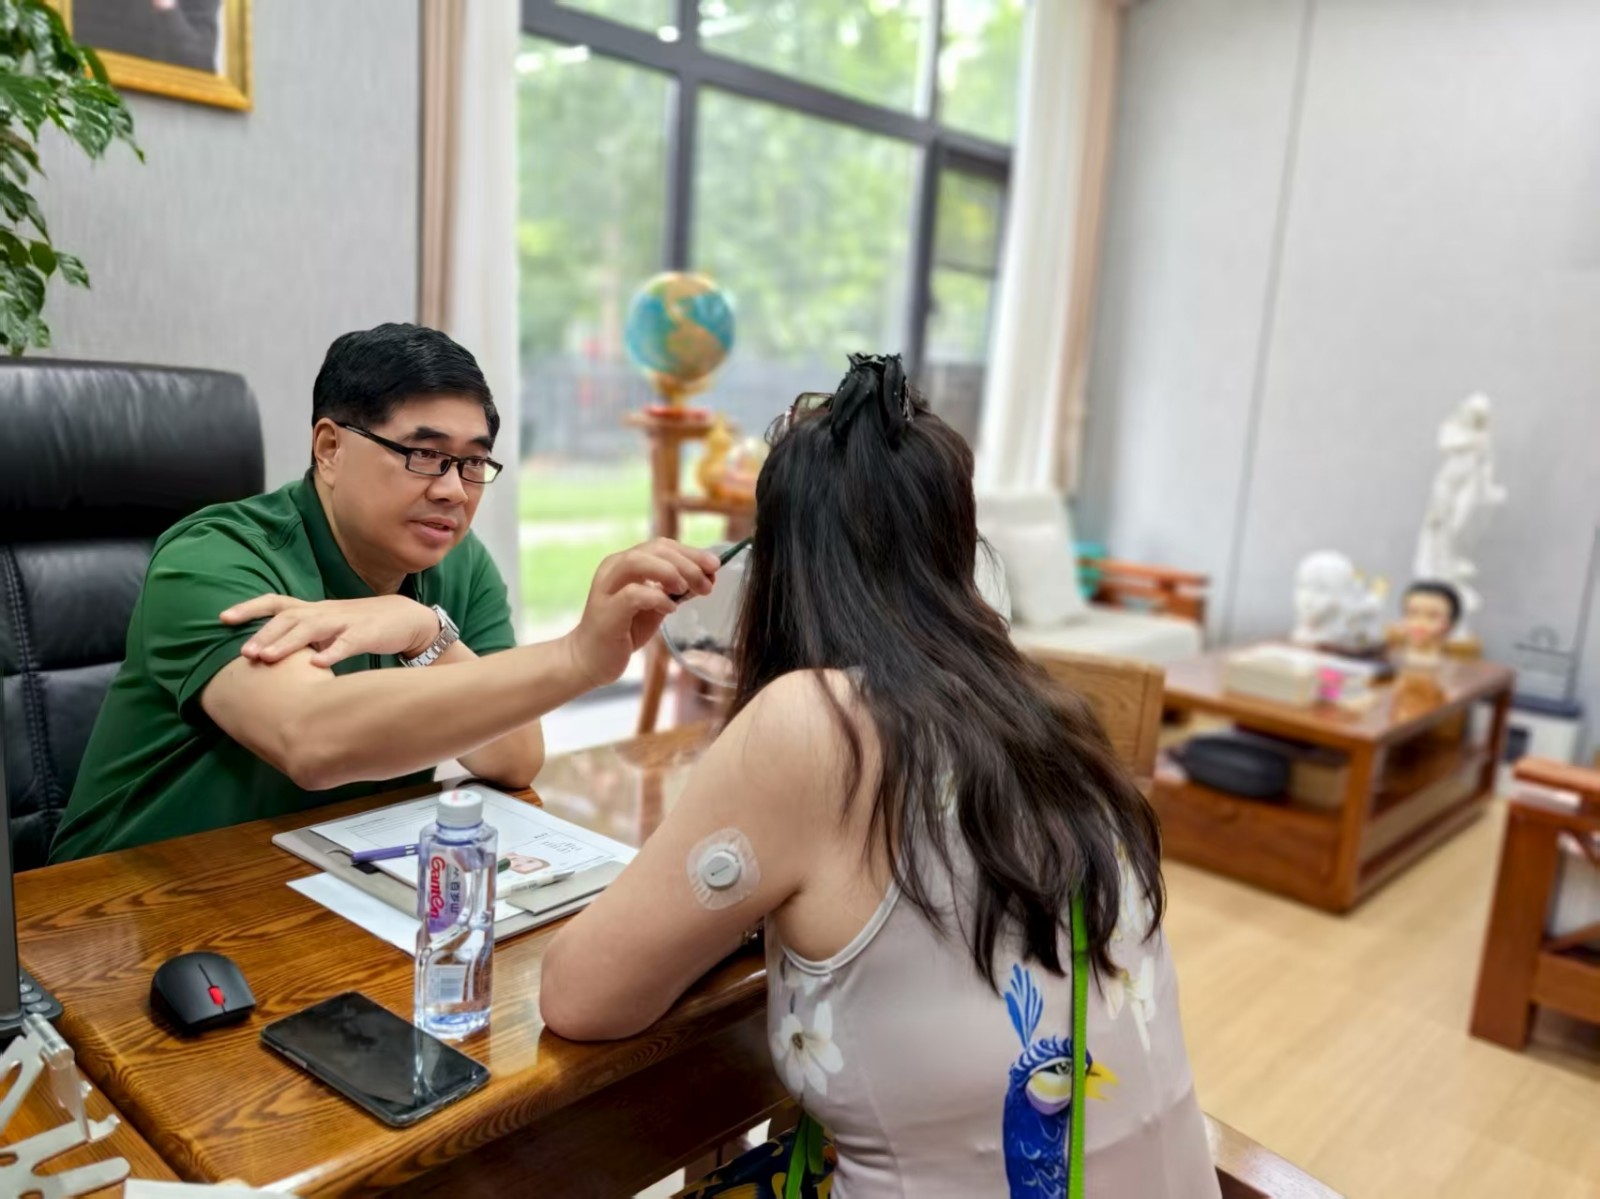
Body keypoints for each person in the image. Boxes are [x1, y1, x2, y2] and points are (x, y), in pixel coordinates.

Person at [540, 354, 1220, 1198]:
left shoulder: (812, 722)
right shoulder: (1045, 710)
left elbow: (580, 996)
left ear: (778, 568)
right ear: (957, 550)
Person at [51, 324, 717, 862]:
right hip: (118, 910)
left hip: (316, 881)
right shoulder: (211, 558)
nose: (453, 490)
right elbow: (312, 741)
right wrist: (576, 657)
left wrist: (425, 631)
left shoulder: (457, 565)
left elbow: (512, 757)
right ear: (330, 449)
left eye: (473, 462)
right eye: (423, 455)